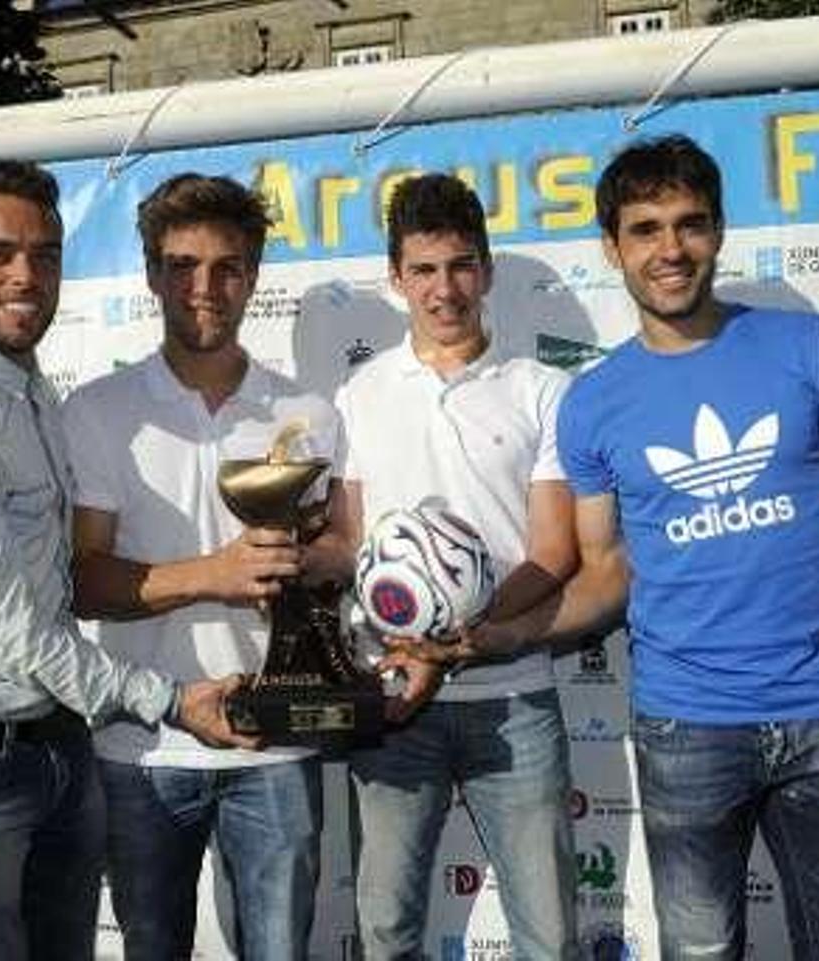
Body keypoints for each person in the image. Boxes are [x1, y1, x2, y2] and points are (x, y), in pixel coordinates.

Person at [412, 134, 819, 960]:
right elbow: (606, 568)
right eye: (645, 229)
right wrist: (496, 635)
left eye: (689, 224)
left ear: (718, 231)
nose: (671, 248)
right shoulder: (592, 403)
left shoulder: (809, 349)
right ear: (613, 247)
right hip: (686, 729)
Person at [0, 159, 254, 961]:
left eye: (44, 254)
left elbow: (58, 587)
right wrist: (172, 700)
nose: (25, 275)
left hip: (55, 743)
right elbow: (10, 630)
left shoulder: (32, 392)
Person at [60, 172, 345, 961]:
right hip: (145, 744)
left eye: (226, 267)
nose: (204, 287)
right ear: (153, 275)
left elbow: (338, 557)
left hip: (278, 746)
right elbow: (84, 579)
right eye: (182, 265)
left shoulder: (309, 414)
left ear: (253, 276)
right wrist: (214, 573)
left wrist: (311, 570)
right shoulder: (98, 410)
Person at [332, 173, 580, 959]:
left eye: (462, 266)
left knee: (549, 933)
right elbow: (347, 543)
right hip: (394, 697)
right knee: (387, 928)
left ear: (488, 272)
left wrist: (461, 636)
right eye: (426, 270)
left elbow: (553, 551)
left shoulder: (545, 391)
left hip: (515, 697)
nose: (445, 289)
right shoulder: (357, 395)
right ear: (396, 279)